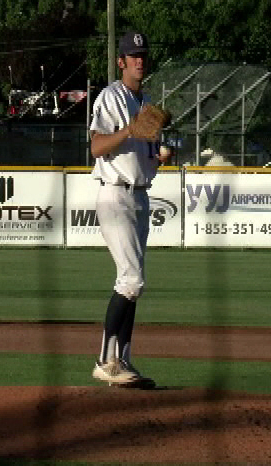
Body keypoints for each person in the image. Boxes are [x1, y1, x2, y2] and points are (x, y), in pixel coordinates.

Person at [88, 30, 172, 388]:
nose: (140, 60)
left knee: (134, 283)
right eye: (133, 55)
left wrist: (163, 155)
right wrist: (127, 131)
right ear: (120, 61)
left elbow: (149, 155)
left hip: (140, 196)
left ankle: (122, 360)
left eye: (143, 54)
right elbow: (96, 147)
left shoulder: (147, 102)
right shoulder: (111, 97)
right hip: (115, 194)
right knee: (131, 279)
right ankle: (105, 361)